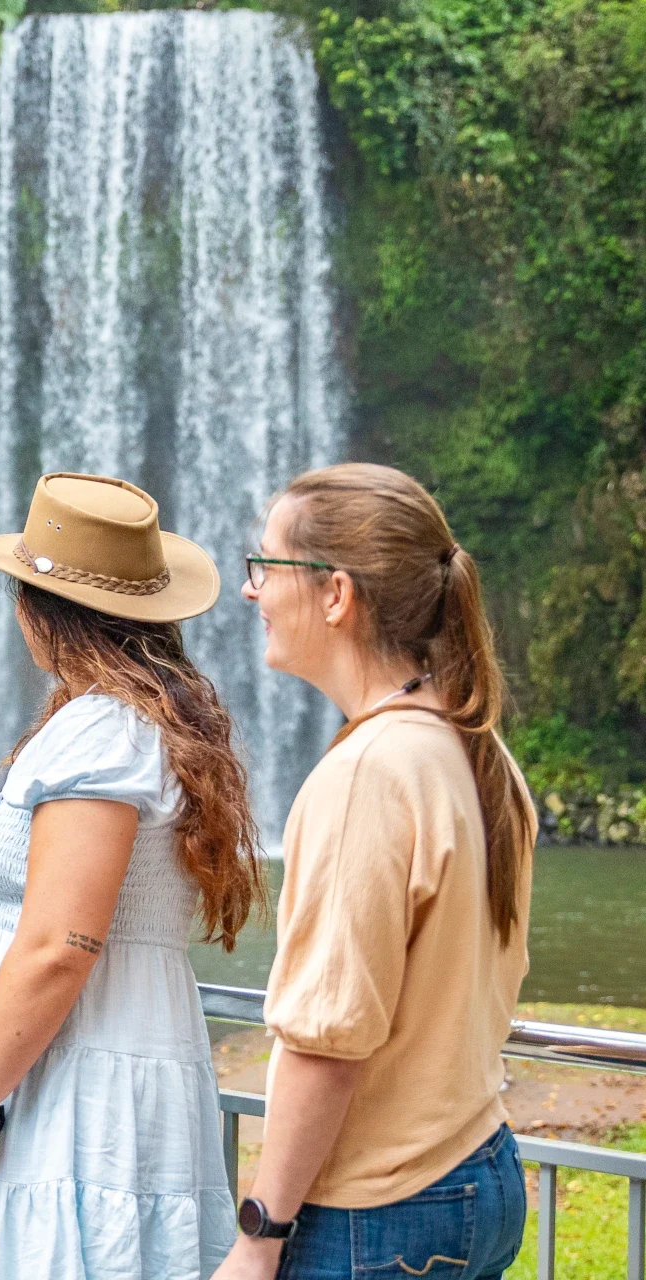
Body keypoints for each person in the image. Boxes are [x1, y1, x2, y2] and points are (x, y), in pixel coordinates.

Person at [0, 472, 257, 1279]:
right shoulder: (144, 718)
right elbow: (102, 907)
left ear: (41, 611)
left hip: (71, 1075)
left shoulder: (100, 733)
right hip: (98, 1049)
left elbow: (64, 943)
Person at [213, 463, 536, 1280]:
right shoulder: (472, 746)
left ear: (336, 594)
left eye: (266, 565)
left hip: (380, 1214)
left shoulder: (367, 775)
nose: (250, 590)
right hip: (476, 1167)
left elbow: (328, 1047)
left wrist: (258, 1237)